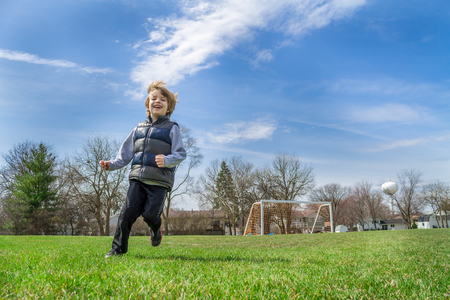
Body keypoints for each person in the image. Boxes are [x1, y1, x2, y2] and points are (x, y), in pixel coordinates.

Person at [100, 80, 186, 258]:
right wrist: (111, 165)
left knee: (150, 214)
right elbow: (124, 155)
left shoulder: (172, 128)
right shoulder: (138, 128)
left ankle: (156, 229)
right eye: (154, 98)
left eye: (163, 99)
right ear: (148, 104)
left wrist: (167, 160)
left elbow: (180, 154)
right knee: (126, 215)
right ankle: (117, 250)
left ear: (168, 107)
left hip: (158, 181)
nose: (157, 101)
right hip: (137, 179)